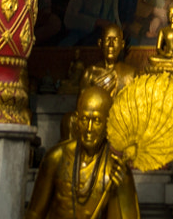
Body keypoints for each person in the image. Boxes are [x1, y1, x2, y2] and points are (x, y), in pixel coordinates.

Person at [24, 85, 139, 219]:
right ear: (77, 120)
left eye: (97, 121)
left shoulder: (115, 168)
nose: (89, 129)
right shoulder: (56, 158)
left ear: (108, 123)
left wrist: (121, 190)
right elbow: (34, 213)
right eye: (85, 119)